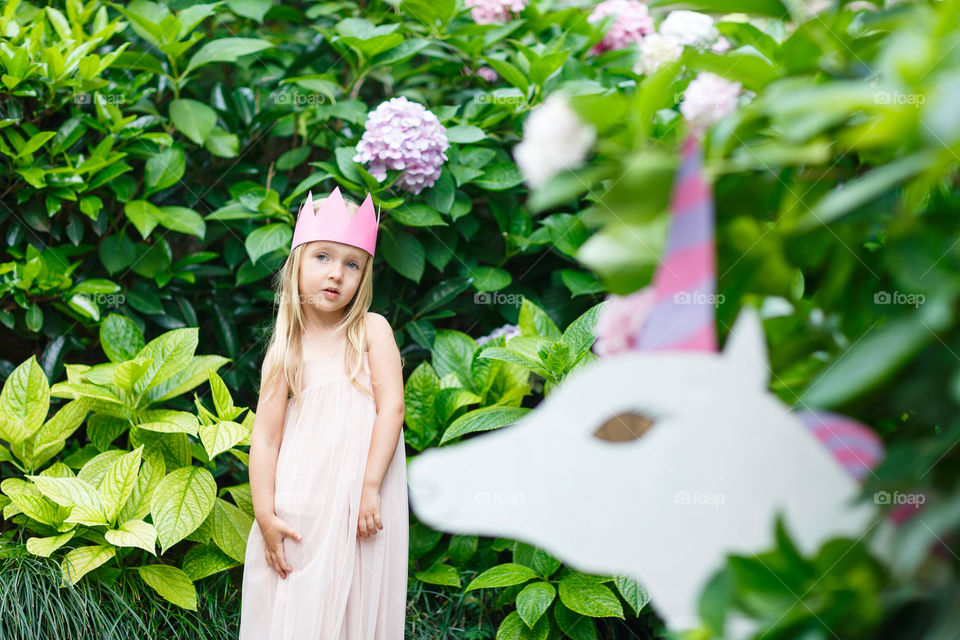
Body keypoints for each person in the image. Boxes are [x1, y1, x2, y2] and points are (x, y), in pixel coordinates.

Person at [239, 186, 408, 639]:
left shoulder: (371, 331)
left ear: (364, 277)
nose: (336, 273)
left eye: (352, 264)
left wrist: (370, 486)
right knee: (300, 598)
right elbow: (266, 439)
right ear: (297, 263)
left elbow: (391, 409)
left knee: (356, 591)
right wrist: (265, 514)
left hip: (362, 501)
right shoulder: (286, 351)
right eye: (322, 257)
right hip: (302, 503)